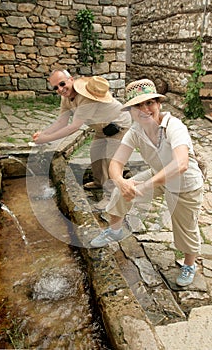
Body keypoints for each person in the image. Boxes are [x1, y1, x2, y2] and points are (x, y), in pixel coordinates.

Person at [90, 78, 204, 287]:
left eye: (149, 103)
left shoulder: (174, 126)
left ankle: (189, 264)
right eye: (137, 105)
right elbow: (116, 162)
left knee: (185, 227)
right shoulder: (135, 131)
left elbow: (181, 164)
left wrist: (144, 186)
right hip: (158, 175)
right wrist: (120, 181)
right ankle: (114, 231)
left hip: (185, 184)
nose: (144, 109)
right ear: (131, 111)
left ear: (158, 104)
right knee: (119, 193)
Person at [33, 69, 132, 191]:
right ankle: (99, 183)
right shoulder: (66, 98)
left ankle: (113, 194)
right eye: (55, 87)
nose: (60, 89)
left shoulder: (85, 98)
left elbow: (74, 126)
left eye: (62, 84)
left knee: (110, 161)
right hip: (102, 127)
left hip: (119, 124)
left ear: (71, 80)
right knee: (95, 153)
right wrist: (43, 133)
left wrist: (46, 139)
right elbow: (61, 122)